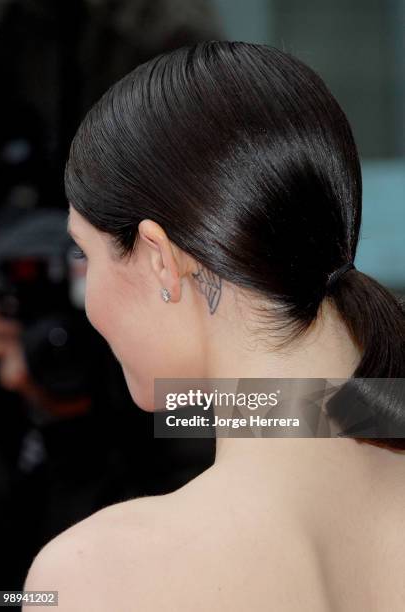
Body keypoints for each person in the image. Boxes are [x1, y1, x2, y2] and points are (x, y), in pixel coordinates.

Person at [23, 41, 405, 611]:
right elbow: (311, 409)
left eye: (85, 256)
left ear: (158, 257)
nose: (86, 303)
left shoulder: (93, 576)